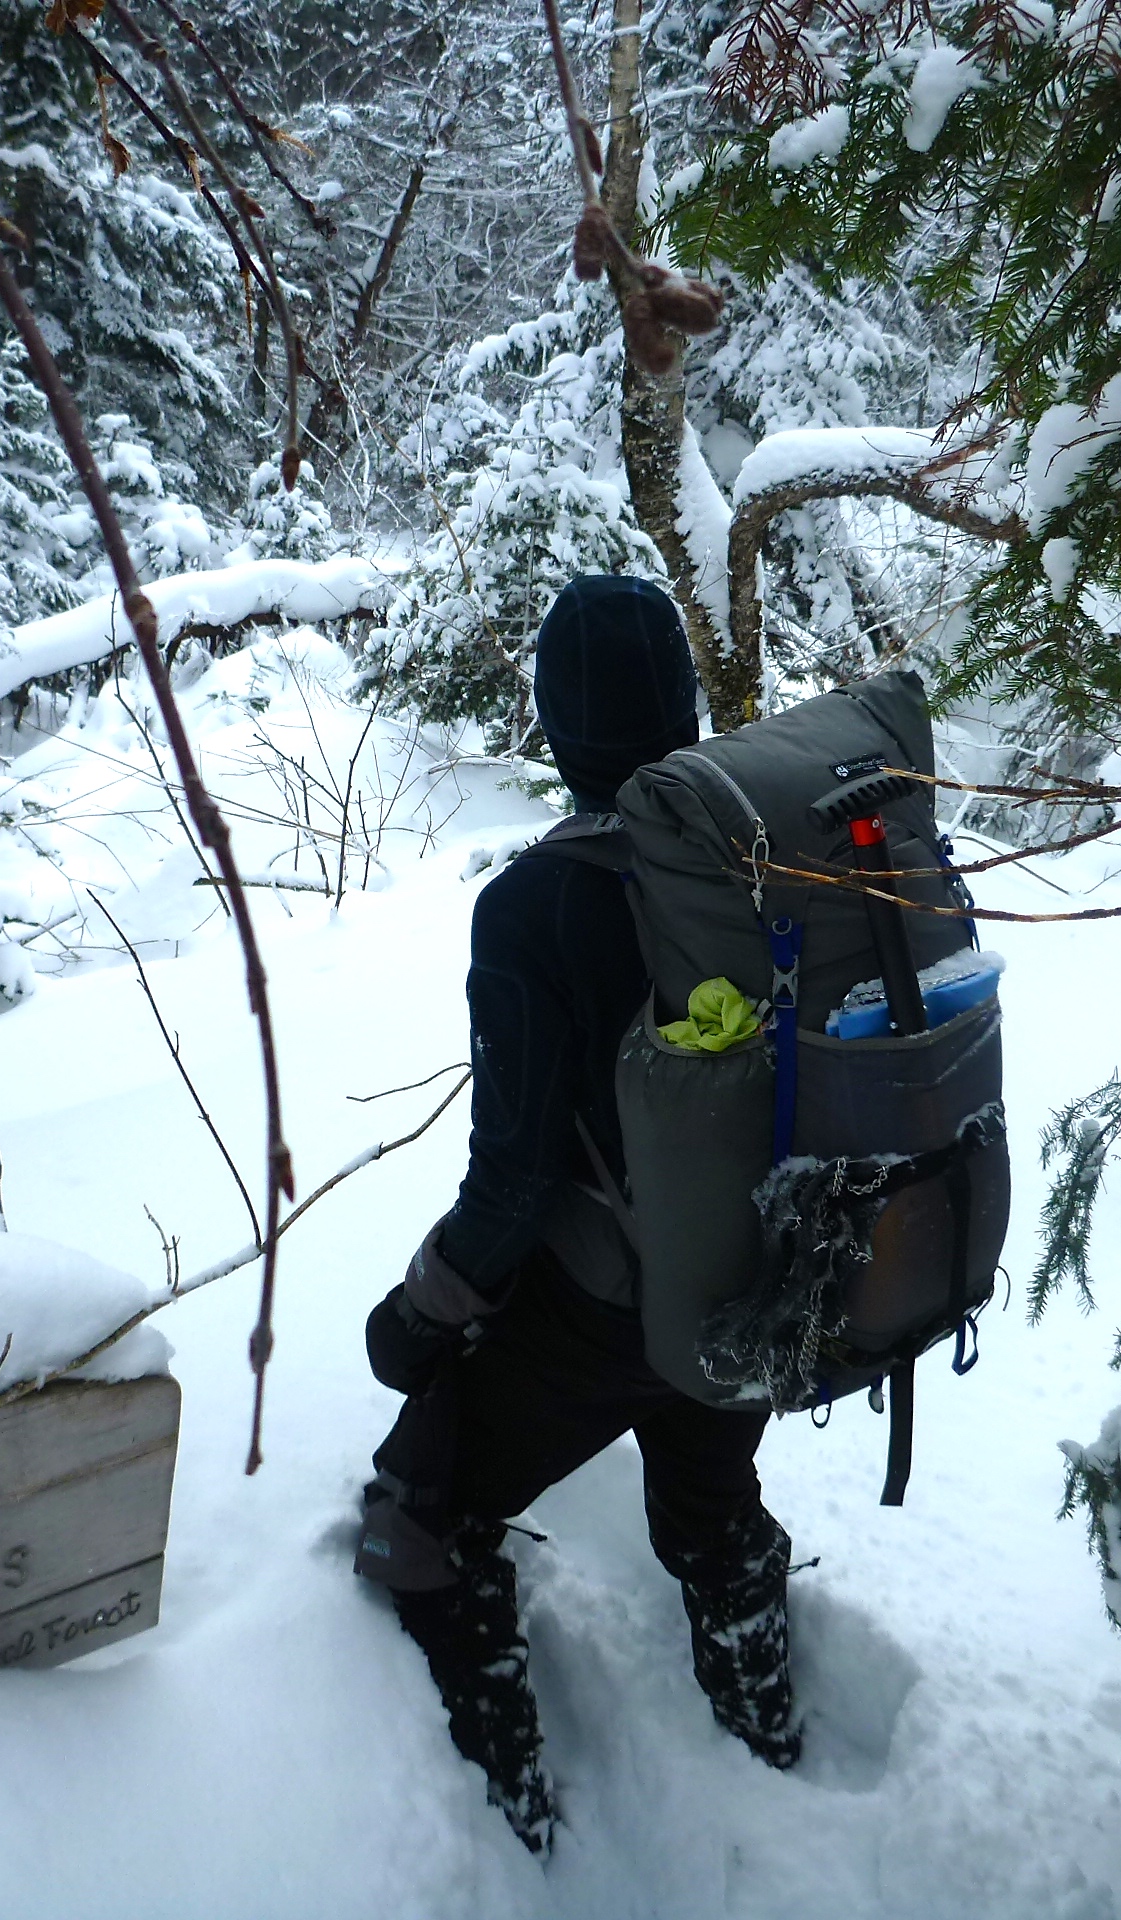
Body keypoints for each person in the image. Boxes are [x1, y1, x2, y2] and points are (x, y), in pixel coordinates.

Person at [352, 575, 800, 1854]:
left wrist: (419, 1318)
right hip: (758, 1287)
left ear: (552, 728)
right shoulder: (766, 852)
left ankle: (506, 1824)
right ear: (686, 704)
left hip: (600, 1319)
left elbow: (514, 1184)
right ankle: (768, 1727)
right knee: (715, 1513)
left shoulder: (534, 906)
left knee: (423, 1518)